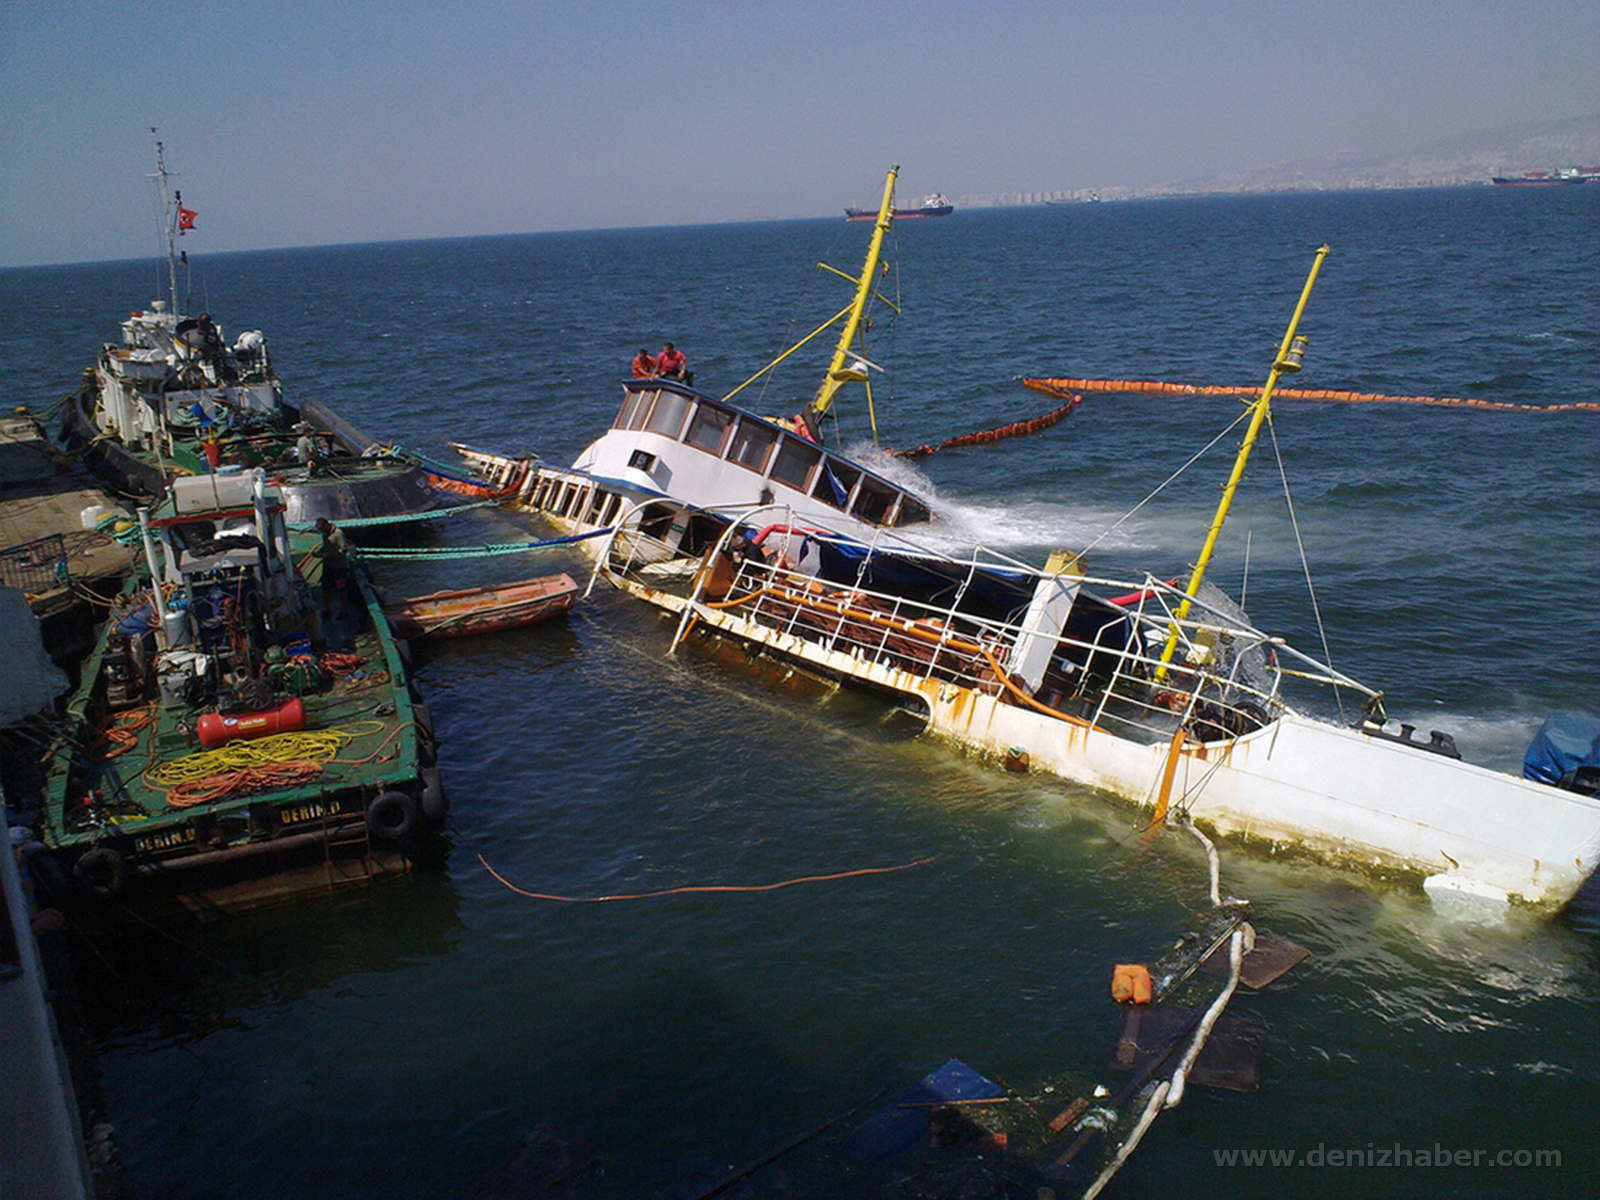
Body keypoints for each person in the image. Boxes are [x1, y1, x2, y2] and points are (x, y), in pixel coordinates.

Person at [313, 517, 350, 618]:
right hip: (328, 566)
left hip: (339, 567)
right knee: (326, 588)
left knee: (341, 588)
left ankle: (344, 611)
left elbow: (343, 550)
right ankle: (327, 610)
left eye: (321, 529)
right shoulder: (325, 534)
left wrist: (326, 555)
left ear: (326, 525)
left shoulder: (338, 534)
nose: (321, 531)